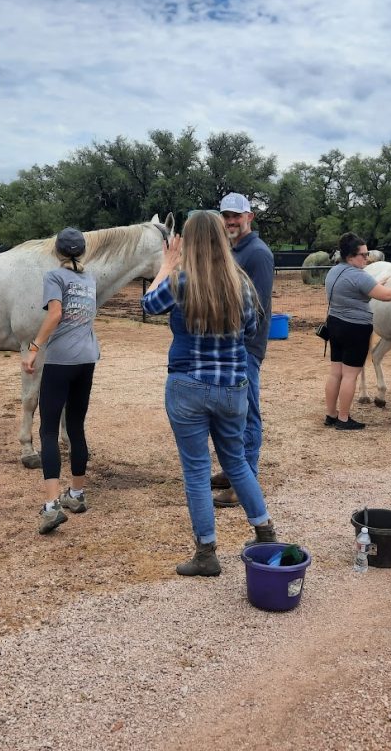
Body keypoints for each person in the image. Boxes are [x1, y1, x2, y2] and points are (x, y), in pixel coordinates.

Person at [142, 210, 276, 577]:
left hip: (187, 386)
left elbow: (148, 305)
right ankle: (264, 532)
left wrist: (167, 262)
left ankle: (206, 553)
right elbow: (251, 328)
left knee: (197, 471)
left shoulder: (180, 281)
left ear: (188, 241)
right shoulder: (242, 282)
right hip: (233, 387)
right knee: (236, 462)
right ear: (220, 237)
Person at [21, 227, 100, 534]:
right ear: (82, 252)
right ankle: (76, 494)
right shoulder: (89, 278)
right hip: (86, 359)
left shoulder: (54, 277)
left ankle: (52, 506)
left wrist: (33, 347)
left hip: (60, 360)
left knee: (49, 429)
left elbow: (54, 314)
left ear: (56, 252)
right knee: (77, 426)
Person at [210, 193, 274, 509]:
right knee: (230, 412)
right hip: (229, 344)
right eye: (226, 216)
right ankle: (235, 470)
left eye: (237, 216)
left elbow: (257, 307)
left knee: (247, 411)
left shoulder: (257, 254)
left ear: (250, 217)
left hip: (245, 346)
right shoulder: (234, 250)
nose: (231, 221)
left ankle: (245, 479)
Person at [324, 232, 391, 430]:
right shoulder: (360, 276)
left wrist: (377, 284)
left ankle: (331, 414)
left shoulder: (333, 272)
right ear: (351, 256)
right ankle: (344, 419)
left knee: (336, 373)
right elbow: (386, 296)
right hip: (355, 328)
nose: (367, 258)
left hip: (334, 324)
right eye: (363, 254)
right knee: (350, 375)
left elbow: (356, 293)